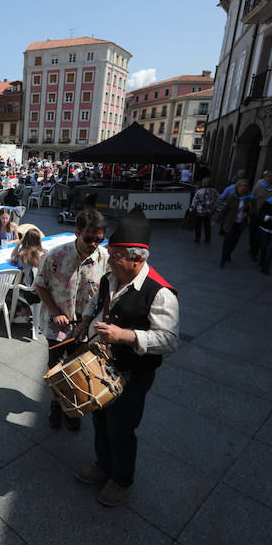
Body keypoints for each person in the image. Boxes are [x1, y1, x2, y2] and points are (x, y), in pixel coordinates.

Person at [72, 212, 179, 506]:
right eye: (111, 254)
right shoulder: (111, 277)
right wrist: (84, 322)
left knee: (121, 425)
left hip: (134, 372)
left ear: (137, 259)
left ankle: (121, 479)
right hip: (104, 363)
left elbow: (169, 340)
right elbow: (96, 301)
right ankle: (103, 464)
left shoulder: (161, 293)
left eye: (116, 256)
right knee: (99, 416)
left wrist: (126, 336)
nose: (109, 260)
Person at [34, 208, 108, 431]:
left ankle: (72, 409)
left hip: (86, 329)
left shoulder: (105, 258)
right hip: (57, 328)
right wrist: (55, 312)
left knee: (80, 371)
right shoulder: (55, 255)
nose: (94, 244)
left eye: (99, 240)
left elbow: (108, 291)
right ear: (76, 232)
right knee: (57, 370)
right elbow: (40, 284)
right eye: (89, 238)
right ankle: (56, 407)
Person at [213, 179, 254, 269]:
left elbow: (252, 210)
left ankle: (228, 253)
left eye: (245, 186)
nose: (243, 188)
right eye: (241, 186)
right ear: (237, 187)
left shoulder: (249, 198)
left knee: (234, 242)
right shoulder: (232, 197)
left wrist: (247, 213)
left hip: (241, 224)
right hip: (230, 222)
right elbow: (224, 210)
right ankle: (223, 260)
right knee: (227, 241)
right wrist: (216, 221)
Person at [10, 228, 46, 323]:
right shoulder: (44, 252)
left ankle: (24, 313)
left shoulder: (23, 254)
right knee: (28, 279)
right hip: (44, 288)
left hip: (31, 291)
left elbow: (12, 257)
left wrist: (19, 243)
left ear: (25, 239)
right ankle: (28, 311)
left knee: (16, 286)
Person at [249, 170, 272, 258]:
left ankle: (256, 252)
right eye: (269, 176)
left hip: (269, 216)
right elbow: (252, 197)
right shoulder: (259, 185)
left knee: (262, 235)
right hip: (257, 213)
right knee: (253, 232)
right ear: (265, 177)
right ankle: (252, 248)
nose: (271, 178)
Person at [190, 177, 218, 244]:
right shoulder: (215, 191)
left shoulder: (199, 191)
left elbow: (195, 201)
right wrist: (213, 210)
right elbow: (216, 201)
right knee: (207, 225)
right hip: (208, 211)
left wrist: (191, 209)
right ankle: (208, 239)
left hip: (200, 210)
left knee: (198, 225)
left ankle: (197, 238)